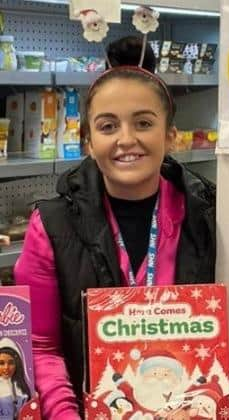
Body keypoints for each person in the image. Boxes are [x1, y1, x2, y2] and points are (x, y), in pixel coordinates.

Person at [14, 36, 216, 419]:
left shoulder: (209, 217)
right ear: (89, 142)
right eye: (108, 126)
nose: (127, 140)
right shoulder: (51, 226)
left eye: (143, 123)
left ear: (170, 135)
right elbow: (40, 346)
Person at [0, 345, 31, 418]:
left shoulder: (22, 387)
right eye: (1, 363)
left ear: (17, 364)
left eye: (11, 363)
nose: (6, 367)